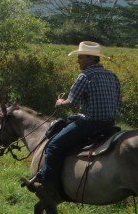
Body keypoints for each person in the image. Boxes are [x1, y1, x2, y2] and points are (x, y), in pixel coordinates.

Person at [22, 41, 122, 197]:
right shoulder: (112, 76)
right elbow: (118, 101)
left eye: (81, 57)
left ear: (90, 58)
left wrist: (60, 102)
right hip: (110, 123)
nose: (78, 61)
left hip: (89, 122)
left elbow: (72, 101)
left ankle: (47, 184)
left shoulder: (85, 76)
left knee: (54, 145)